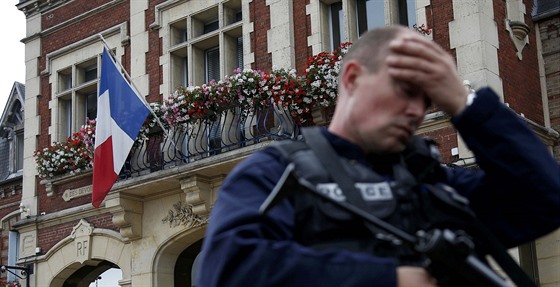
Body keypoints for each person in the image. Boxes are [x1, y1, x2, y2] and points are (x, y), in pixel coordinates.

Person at [196, 25, 560, 287]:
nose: (416, 110)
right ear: (353, 78)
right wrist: (389, 278)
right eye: (405, 90)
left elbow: (546, 198)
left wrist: (464, 105)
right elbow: (228, 270)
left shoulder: (431, 185)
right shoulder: (276, 172)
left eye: (426, 99)